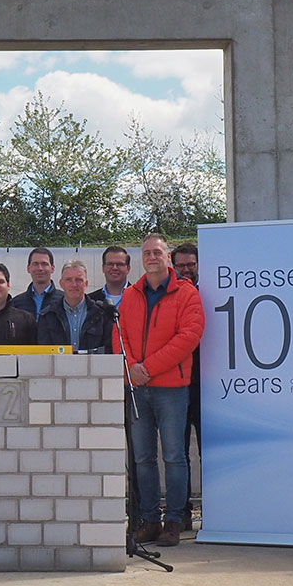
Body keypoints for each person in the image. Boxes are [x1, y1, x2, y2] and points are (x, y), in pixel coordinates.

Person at [112, 234, 204, 547]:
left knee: (175, 456)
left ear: (168, 257)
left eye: (157, 252)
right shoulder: (131, 295)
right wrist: (132, 369)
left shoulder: (186, 293)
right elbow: (119, 335)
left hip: (171, 389)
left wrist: (147, 367)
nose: (152, 257)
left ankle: (174, 520)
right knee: (142, 458)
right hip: (137, 388)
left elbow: (188, 337)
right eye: (147, 252)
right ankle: (149, 519)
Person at [171, 240, 204, 527]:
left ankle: (217, 511)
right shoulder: (167, 296)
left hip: (208, 385)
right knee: (178, 452)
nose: (185, 270)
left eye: (190, 265)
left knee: (209, 450)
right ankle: (180, 513)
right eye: (179, 265)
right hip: (176, 383)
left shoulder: (212, 293)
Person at [37, 259, 114, 353]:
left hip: (94, 366)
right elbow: (44, 353)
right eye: (68, 280)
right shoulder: (48, 315)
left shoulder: (102, 314)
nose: (74, 284)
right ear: (61, 283)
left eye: (79, 280)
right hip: (57, 366)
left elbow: (109, 350)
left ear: (86, 284)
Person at [10, 246, 63, 320]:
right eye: (35, 264)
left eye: (44, 264)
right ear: (28, 268)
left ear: (52, 268)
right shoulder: (16, 303)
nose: (40, 268)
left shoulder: (63, 300)